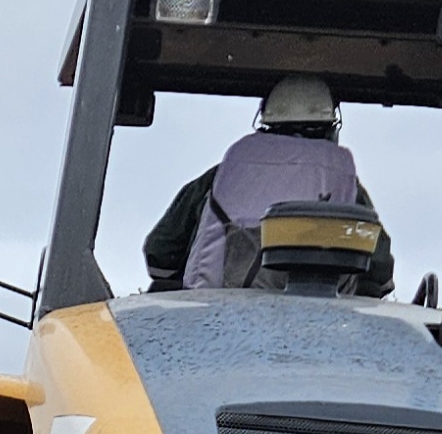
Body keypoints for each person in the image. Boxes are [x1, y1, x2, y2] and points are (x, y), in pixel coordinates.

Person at [143, 76, 395, 296]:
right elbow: (380, 273)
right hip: (322, 321)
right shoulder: (345, 180)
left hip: (214, 316)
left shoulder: (224, 174)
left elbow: (160, 252)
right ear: (330, 127)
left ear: (265, 122)